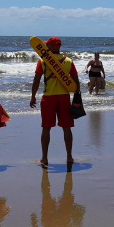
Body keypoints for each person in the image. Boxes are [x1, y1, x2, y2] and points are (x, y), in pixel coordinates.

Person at [30, 37, 79, 165]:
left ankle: (44, 158)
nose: (46, 48)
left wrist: (33, 96)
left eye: (47, 45)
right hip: (64, 97)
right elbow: (76, 82)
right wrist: (77, 98)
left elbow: (36, 80)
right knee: (67, 128)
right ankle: (69, 157)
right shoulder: (69, 61)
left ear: (52, 47)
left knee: (46, 128)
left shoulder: (43, 61)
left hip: (49, 97)